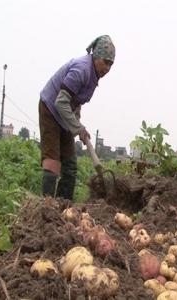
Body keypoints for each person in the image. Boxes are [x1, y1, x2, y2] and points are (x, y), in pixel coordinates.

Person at [39, 35, 115, 201]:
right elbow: (60, 102)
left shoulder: (94, 75)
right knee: (52, 163)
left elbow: (76, 98)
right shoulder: (81, 70)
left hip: (66, 114)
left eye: (111, 64)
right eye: (105, 62)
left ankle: (63, 208)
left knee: (70, 165)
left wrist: (77, 118)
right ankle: (46, 209)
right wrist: (79, 128)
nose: (108, 68)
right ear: (95, 57)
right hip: (51, 110)